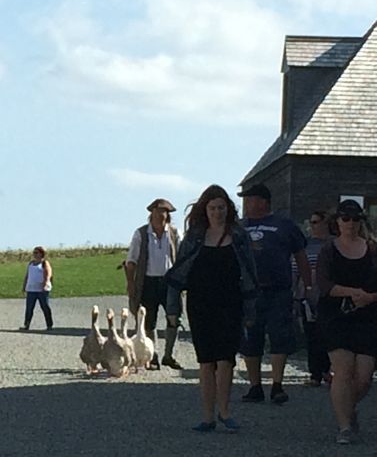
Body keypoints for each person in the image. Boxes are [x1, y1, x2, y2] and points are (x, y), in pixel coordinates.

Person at [166, 185, 259, 432]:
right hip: (200, 304)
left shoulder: (239, 237)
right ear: (204, 210)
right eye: (212, 208)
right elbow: (177, 274)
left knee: (226, 359)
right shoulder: (194, 237)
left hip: (230, 304)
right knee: (206, 361)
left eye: (221, 208)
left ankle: (225, 411)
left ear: (228, 209)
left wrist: (251, 312)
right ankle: (207, 416)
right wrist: (173, 308)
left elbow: (251, 275)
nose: (217, 212)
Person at [237, 184, 311, 404]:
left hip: (278, 290)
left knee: (279, 336)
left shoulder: (284, 225)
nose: (246, 204)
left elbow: (300, 256)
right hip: (249, 292)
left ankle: (277, 385)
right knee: (251, 338)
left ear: (263, 202)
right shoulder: (240, 227)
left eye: (250, 199)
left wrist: (307, 286)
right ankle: (254, 385)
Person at [316, 199, 377, 445]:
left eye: (355, 219)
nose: (350, 224)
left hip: (368, 316)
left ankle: (348, 408)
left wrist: (369, 297)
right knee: (343, 370)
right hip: (336, 315)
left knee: (364, 376)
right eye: (345, 219)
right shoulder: (329, 250)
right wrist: (352, 293)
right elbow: (324, 284)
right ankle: (344, 427)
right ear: (337, 222)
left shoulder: (373, 249)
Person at [125, 198, 182, 370]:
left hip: (169, 282)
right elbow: (131, 261)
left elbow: (181, 258)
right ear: (152, 214)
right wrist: (131, 283)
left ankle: (168, 355)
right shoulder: (141, 234)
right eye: (157, 212)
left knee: (174, 318)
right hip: (148, 281)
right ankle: (153, 355)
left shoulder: (174, 233)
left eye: (164, 212)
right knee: (149, 321)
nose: (160, 215)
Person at [296, 210, 332, 387]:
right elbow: (295, 268)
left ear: (326, 223)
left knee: (329, 333)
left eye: (316, 222)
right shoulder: (305, 245)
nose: (312, 225)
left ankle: (328, 369)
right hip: (308, 296)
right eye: (311, 222)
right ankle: (315, 374)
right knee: (312, 334)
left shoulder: (334, 244)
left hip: (330, 295)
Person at [19, 246, 54, 331]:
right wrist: (24, 286)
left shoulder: (44, 263)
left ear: (41, 254)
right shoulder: (31, 263)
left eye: (36, 253)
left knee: (45, 306)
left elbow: (48, 274)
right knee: (29, 308)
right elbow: (27, 275)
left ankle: (49, 324)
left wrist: (45, 284)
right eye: (34, 253)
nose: (34, 254)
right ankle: (26, 324)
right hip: (31, 289)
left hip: (42, 289)